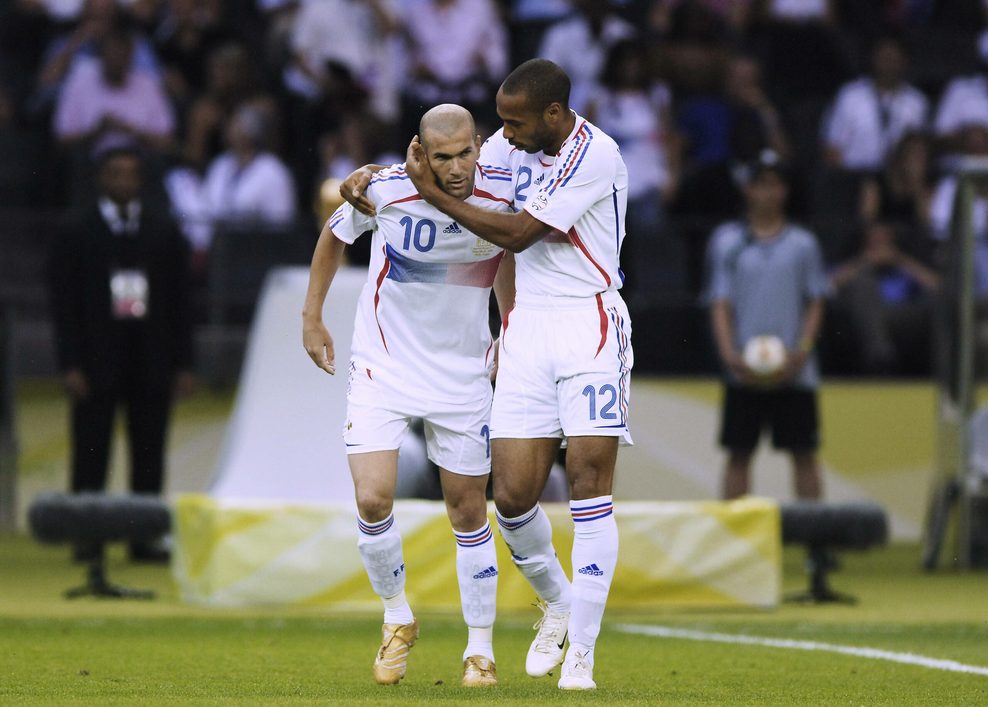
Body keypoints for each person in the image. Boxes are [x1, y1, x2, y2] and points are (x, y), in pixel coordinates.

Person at [346, 58, 633, 690]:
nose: (504, 134)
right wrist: (376, 177)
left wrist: (421, 192)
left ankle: (581, 652)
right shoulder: (513, 143)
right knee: (510, 496)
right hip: (526, 328)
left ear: (553, 116)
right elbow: (454, 171)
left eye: (514, 121)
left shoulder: (596, 155)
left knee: (587, 482)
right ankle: (557, 602)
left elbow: (521, 233)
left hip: (589, 322)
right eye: (499, 123)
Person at [302, 105, 515, 688]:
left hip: (464, 371)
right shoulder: (386, 191)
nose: (455, 168)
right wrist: (312, 316)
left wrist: (509, 327)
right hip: (383, 366)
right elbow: (333, 236)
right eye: (441, 156)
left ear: (480, 145)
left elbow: (510, 258)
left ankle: (480, 650)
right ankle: (397, 617)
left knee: (468, 511)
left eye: (465, 153)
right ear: (418, 150)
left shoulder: (506, 193)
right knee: (372, 499)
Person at [48, 146, 194, 562]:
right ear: (100, 179)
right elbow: (63, 305)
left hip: (152, 360)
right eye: (114, 173)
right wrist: (70, 363)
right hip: (95, 362)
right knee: (90, 450)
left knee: (149, 452)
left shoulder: (164, 231)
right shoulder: (76, 230)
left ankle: (143, 536)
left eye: (130, 174)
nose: (122, 182)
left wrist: (184, 363)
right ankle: (87, 536)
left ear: (141, 182)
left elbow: (180, 302)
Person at [705, 151, 828, 502]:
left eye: (775, 185)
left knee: (804, 453)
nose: (767, 192)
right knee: (738, 453)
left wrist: (801, 353)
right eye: (760, 184)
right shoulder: (727, 243)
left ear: (784, 191)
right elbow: (719, 302)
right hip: (743, 369)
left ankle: (815, 547)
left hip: (794, 369)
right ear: (748, 189)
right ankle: (733, 542)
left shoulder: (803, 245)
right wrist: (730, 355)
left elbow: (816, 300)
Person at [830, 221, 938, 375]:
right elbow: (826, 286)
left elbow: (938, 288)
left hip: (902, 317)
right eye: (875, 238)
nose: (880, 243)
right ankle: (882, 356)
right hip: (862, 318)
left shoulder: (903, 265)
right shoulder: (856, 265)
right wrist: (864, 262)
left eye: (884, 238)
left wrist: (901, 260)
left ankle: (881, 358)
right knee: (864, 287)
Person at [822, 33, 928, 172]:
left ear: (904, 60)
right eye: (884, 57)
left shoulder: (917, 102)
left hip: (896, 180)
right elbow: (832, 148)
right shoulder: (850, 95)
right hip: (853, 176)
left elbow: (920, 151)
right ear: (873, 58)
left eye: (894, 57)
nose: (889, 63)